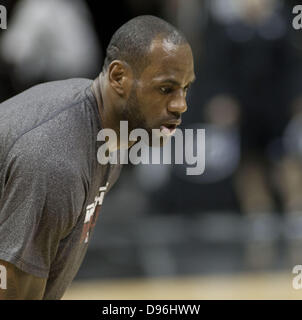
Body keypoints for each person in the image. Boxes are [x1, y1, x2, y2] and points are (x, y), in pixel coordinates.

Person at [0, 15, 195, 299]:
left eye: (185, 88)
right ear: (118, 78)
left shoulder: (107, 128)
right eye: (166, 89)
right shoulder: (58, 159)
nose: (181, 105)